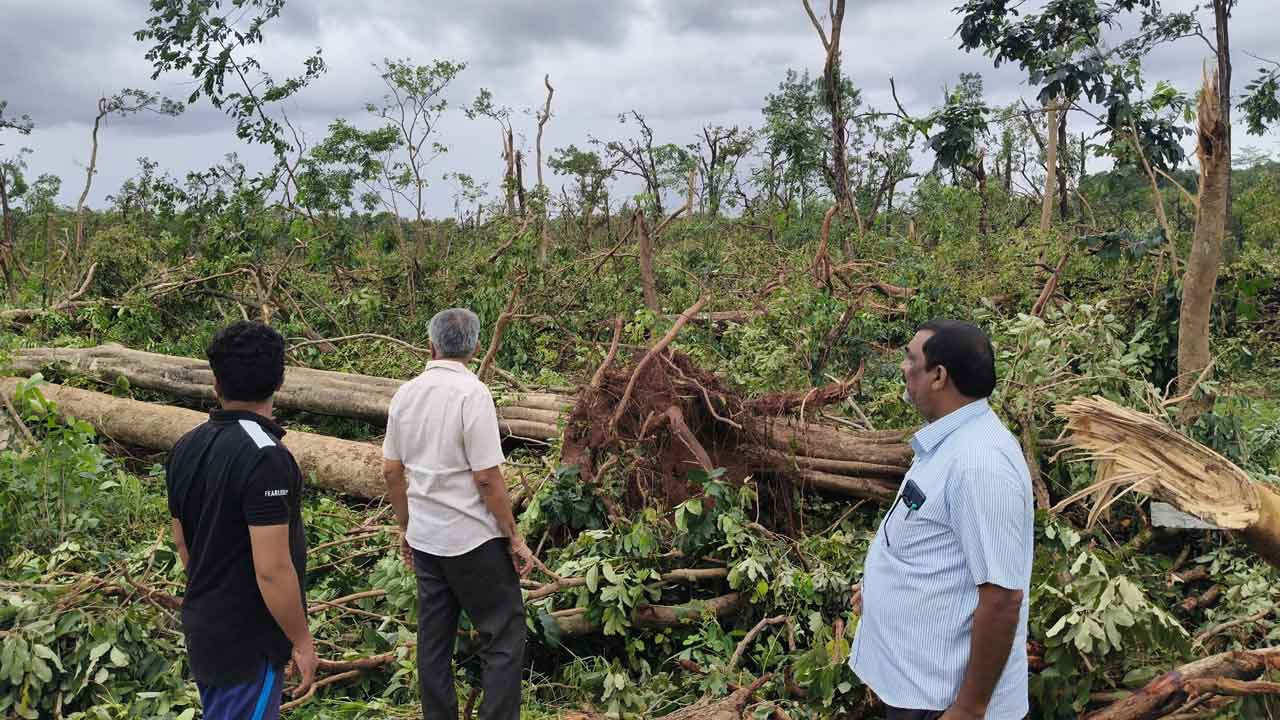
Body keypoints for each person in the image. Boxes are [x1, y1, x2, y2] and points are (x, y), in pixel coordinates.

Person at [849, 320, 1033, 720]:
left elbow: (1002, 598)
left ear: (938, 376)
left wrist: (969, 708)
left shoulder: (979, 464)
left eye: (910, 358)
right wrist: (881, 594)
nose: (903, 366)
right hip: (918, 684)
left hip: (941, 701)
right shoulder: (953, 441)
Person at [383, 307, 534, 720]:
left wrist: (406, 526)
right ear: (475, 347)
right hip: (472, 540)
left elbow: (391, 469)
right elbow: (486, 476)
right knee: (502, 634)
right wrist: (513, 536)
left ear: (430, 345)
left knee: (434, 640)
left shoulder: (406, 393)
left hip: (427, 538)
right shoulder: (473, 394)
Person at [166, 321, 316, 720]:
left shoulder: (186, 446)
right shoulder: (267, 457)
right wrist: (300, 641)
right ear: (279, 381)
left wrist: (212, 597)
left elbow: (182, 542)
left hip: (206, 627)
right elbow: (272, 568)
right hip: (248, 641)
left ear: (216, 383)